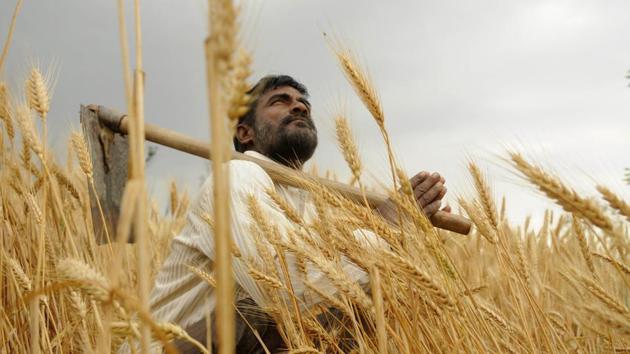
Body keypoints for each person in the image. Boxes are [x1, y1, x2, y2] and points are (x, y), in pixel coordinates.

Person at [148, 75, 449, 353]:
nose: (299, 108)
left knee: (366, 310)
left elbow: (339, 281)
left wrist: (407, 237)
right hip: (171, 345)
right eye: (280, 101)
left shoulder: (311, 207)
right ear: (245, 132)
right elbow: (280, 288)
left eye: (303, 104)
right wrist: (386, 227)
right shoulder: (237, 175)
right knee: (257, 314)